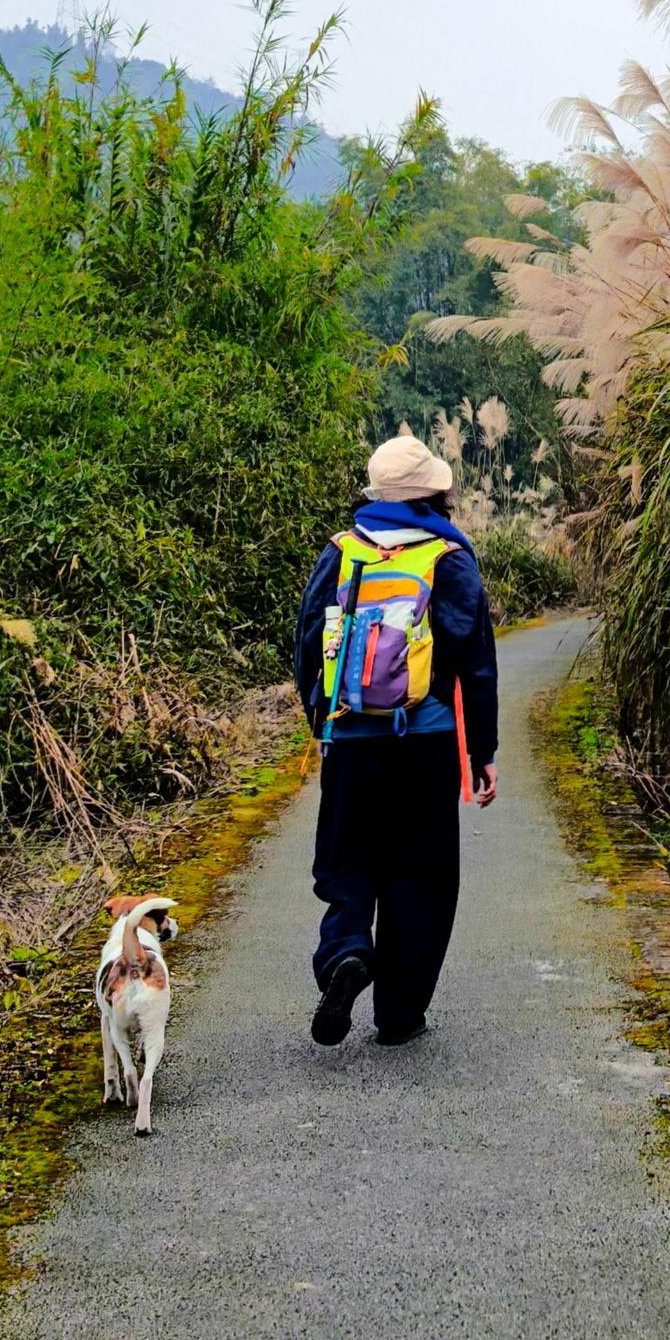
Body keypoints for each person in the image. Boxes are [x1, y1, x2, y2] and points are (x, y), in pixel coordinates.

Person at [294, 436, 499, 1047]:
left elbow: (309, 644)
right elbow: (476, 664)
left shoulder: (340, 552)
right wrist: (480, 753)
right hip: (425, 744)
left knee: (348, 859)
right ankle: (400, 1015)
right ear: (435, 492)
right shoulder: (447, 558)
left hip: (352, 743)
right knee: (421, 875)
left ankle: (346, 953)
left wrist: (322, 723)